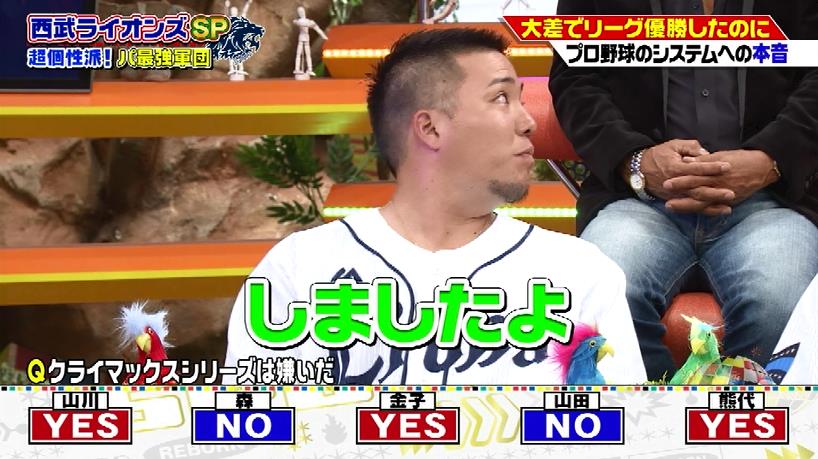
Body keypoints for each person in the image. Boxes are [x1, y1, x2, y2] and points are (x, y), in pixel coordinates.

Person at [225, 28, 646, 385]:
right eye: (501, 99)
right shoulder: (298, 270)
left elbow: (623, 431)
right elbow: (255, 432)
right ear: (429, 128)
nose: (528, 121)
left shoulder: (580, 272)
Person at [549, 0, 818, 381]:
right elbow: (575, 78)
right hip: (637, 199)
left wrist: (770, 158)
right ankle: (656, 415)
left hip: (771, 200)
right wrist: (634, 159)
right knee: (599, 299)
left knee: (779, 305)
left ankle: (744, 417)